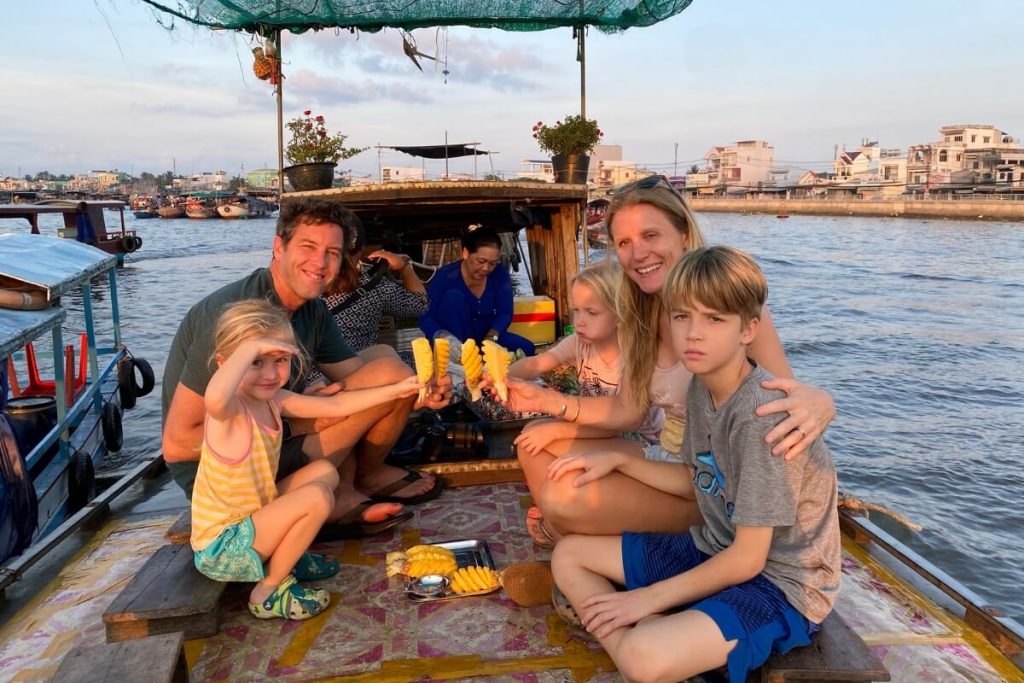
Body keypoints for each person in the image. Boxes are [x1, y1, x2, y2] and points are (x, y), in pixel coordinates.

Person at [550, 246, 840, 682]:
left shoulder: (761, 416)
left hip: (780, 582)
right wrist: (619, 460)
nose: (693, 334)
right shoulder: (703, 389)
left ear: (749, 329)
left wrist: (647, 599)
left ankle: (646, 634)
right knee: (569, 554)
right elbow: (695, 477)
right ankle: (652, 632)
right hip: (714, 546)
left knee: (644, 657)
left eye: (714, 319)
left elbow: (749, 559)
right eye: (682, 316)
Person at [501, 176, 835, 544]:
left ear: (684, 236)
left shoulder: (730, 309)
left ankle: (579, 533)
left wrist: (822, 401)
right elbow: (628, 411)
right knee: (532, 443)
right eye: (624, 243)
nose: (637, 253)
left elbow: (785, 399)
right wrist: (547, 402)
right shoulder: (640, 313)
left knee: (563, 496)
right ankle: (578, 534)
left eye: (650, 236)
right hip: (665, 455)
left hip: (713, 484)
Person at [163, 198, 449, 541]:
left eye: (332, 252)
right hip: (229, 478)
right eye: (308, 247)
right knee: (387, 371)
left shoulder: (312, 309)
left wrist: (421, 393)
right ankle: (350, 489)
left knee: (382, 356)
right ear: (278, 248)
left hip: (273, 434)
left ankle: (359, 480)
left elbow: (365, 377)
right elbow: (177, 445)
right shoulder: (234, 318)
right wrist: (296, 425)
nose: (320, 262)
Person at [191, 299, 423, 621]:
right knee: (316, 497)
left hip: (252, 520)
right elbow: (215, 397)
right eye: (256, 361)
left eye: (280, 359)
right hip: (223, 548)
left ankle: (286, 554)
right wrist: (251, 346)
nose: (270, 374)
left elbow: (337, 406)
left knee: (324, 472)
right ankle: (268, 591)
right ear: (225, 363)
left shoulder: (273, 400)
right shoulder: (227, 412)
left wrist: (398, 390)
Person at [320, 221, 429, 365]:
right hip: (356, 368)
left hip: (307, 371)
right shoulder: (375, 287)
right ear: (362, 249)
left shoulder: (308, 284)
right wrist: (404, 267)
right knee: (416, 360)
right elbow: (420, 304)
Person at [419, 225, 535, 356]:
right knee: (453, 297)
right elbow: (426, 317)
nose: (486, 268)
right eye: (481, 261)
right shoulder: (446, 276)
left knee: (526, 348)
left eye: (492, 263)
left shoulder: (499, 274)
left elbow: (505, 313)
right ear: (465, 253)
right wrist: (442, 335)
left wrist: (493, 336)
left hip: (485, 336)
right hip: (453, 339)